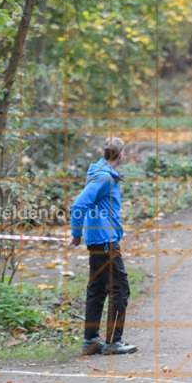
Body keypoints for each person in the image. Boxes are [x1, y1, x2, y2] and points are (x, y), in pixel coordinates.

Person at [68, 137, 137, 356]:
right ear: (120, 155)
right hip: (105, 242)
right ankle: (114, 341)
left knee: (97, 289)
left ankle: (91, 341)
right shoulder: (104, 177)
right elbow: (79, 205)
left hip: (99, 240)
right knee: (120, 289)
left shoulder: (100, 172)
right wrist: (76, 235)